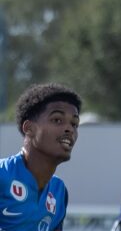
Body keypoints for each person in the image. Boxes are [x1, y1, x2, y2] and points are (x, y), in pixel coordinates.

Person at [0, 83, 82, 231]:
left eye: (74, 123)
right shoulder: (2, 175)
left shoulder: (59, 191)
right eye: (57, 120)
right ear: (29, 128)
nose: (69, 129)